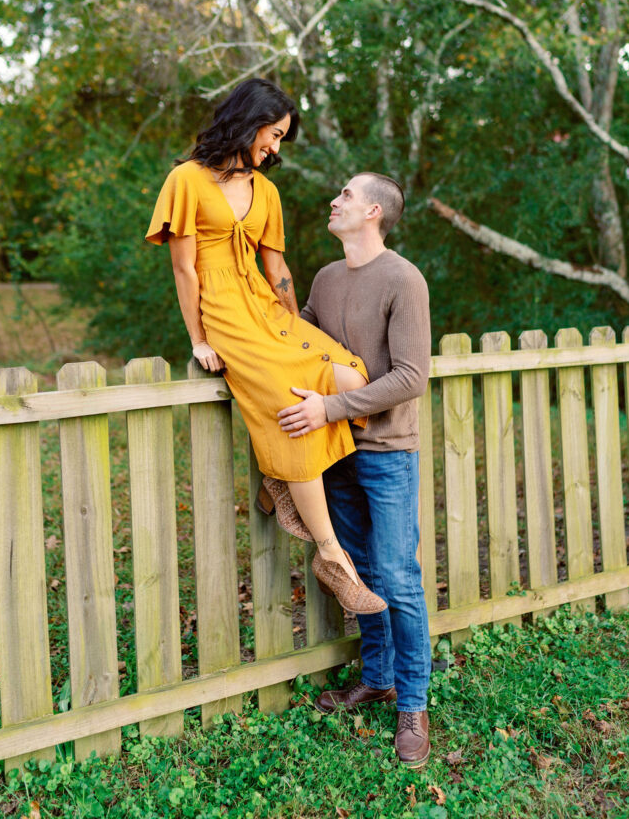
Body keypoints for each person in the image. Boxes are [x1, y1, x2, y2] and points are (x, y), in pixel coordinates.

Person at [145, 78, 386, 614]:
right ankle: (332, 558)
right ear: (249, 120)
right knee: (293, 404)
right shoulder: (186, 180)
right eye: (274, 134)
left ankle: (277, 481)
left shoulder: (267, 192)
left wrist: (298, 327)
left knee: (350, 376)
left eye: (280, 138)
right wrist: (199, 339)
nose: (276, 147)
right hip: (225, 314)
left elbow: (277, 269)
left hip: (267, 309)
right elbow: (184, 270)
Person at [277, 172, 432, 768]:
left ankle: (413, 705)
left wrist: (329, 407)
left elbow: (410, 376)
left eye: (345, 194)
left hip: (387, 454)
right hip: (333, 453)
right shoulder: (325, 277)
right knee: (358, 571)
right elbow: (300, 338)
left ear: (372, 211)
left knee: (396, 576)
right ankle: (378, 676)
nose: (334, 201)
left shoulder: (402, 279)